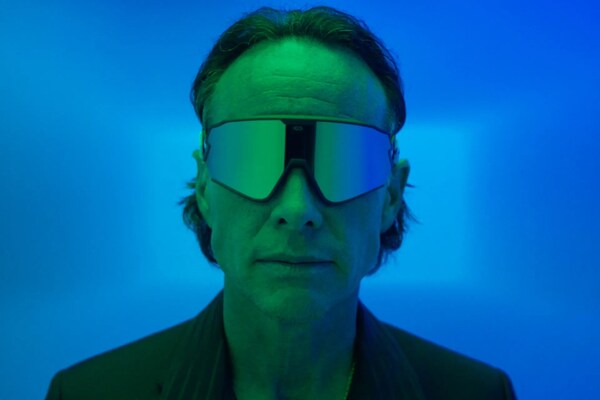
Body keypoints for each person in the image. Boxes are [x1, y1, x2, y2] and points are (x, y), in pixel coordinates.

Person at [46, 6, 517, 400]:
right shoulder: (87, 395)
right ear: (205, 188)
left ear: (391, 195)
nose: (297, 209)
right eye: (251, 157)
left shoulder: (478, 395)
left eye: (344, 161)